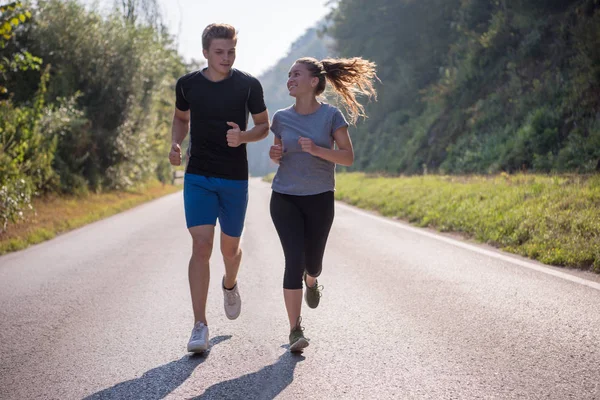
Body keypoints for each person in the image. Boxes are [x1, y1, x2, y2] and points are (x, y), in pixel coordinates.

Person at [169, 23, 270, 353]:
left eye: (231, 52)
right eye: (219, 52)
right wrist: (175, 142)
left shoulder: (248, 85)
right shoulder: (187, 85)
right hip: (198, 174)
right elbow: (182, 118)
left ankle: (230, 283)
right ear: (205, 52)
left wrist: (242, 136)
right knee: (201, 245)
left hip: (234, 177)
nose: (226, 58)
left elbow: (263, 126)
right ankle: (200, 325)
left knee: (230, 250)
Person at [268, 57, 378, 352]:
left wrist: (317, 149)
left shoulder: (331, 116)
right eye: (289, 75)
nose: (290, 79)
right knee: (293, 259)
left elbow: (347, 157)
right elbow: (278, 155)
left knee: (312, 262)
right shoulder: (280, 118)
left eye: (296, 74)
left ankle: (312, 280)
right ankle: (294, 330)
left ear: (314, 81)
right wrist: (275, 153)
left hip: (319, 197)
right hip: (284, 197)